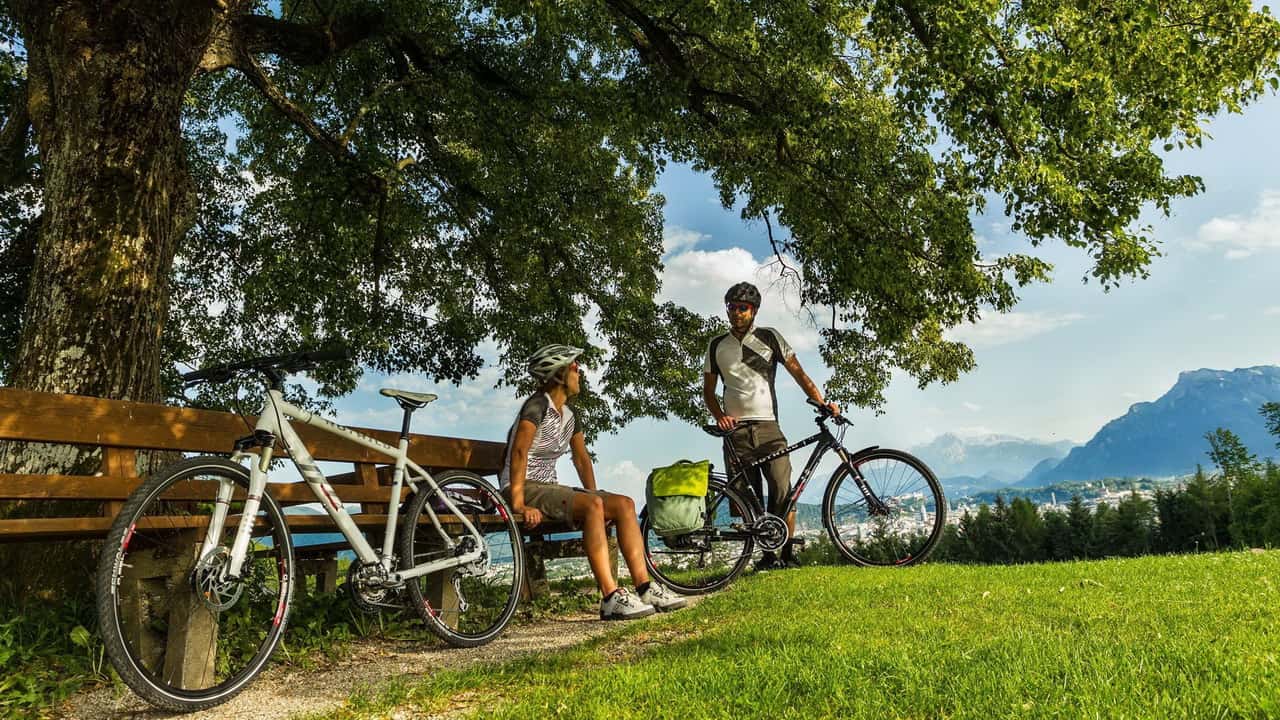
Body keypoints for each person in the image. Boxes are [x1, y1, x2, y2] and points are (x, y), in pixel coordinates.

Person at [502, 343, 687, 619]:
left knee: (624, 505)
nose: (580, 372)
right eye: (575, 367)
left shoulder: (569, 415)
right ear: (558, 374)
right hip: (523, 486)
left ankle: (645, 588)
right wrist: (517, 503)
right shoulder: (537, 405)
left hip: (549, 488)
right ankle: (610, 597)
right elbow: (519, 451)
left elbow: (582, 459)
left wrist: (595, 495)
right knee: (593, 507)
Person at [703, 282, 840, 570]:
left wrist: (822, 402)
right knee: (745, 497)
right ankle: (765, 557)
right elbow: (708, 391)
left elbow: (799, 373)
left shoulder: (769, 337)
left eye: (742, 308)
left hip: (768, 427)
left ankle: (787, 553)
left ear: (753, 311)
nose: (736, 313)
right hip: (735, 431)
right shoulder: (717, 345)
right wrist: (719, 415)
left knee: (782, 488)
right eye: (731, 307)